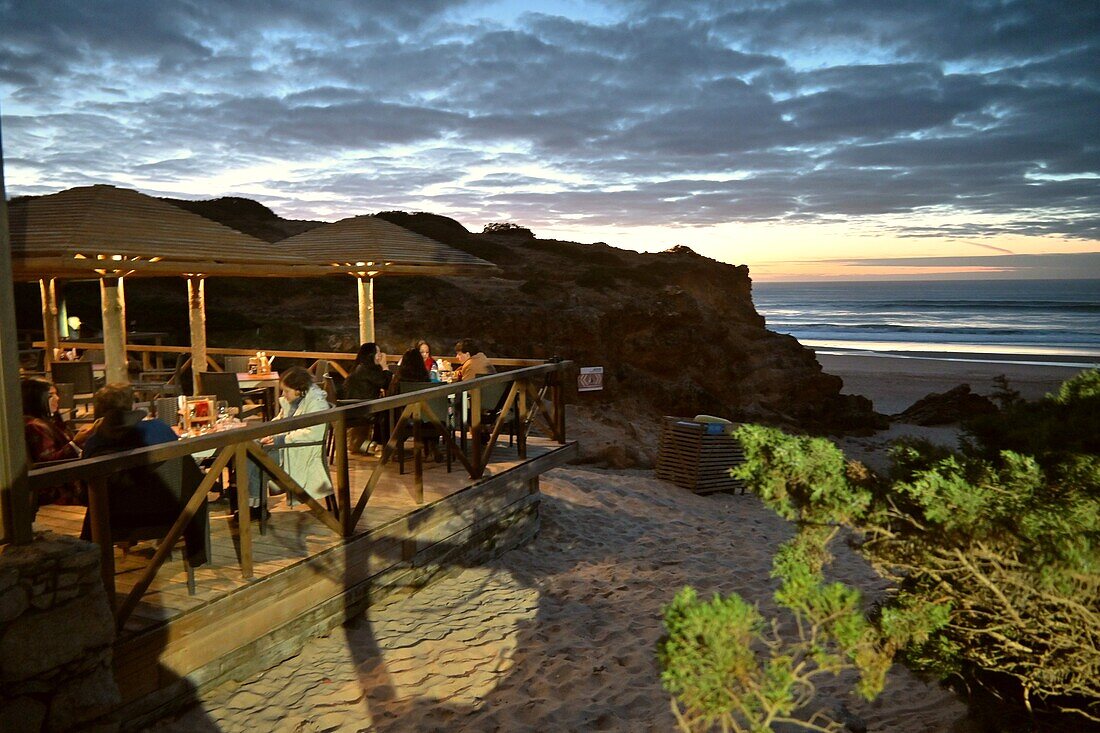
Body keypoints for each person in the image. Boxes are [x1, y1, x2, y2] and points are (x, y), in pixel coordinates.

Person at [79, 384, 207, 566]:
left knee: (96, 503)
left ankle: (91, 566)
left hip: (113, 519)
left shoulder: (96, 442)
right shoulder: (159, 429)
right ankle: (196, 553)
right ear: (132, 405)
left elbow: (87, 488)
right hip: (170, 513)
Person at [247, 366, 333, 518]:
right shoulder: (293, 402)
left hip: (301, 452)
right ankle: (251, 504)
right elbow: (280, 421)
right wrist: (267, 433)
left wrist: (280, 438)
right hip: (287, 446)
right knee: (249, 451)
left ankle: (254, 507)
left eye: (286, 391)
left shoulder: (316, 404)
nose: (283, 395)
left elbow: (313, 434)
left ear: (299, 390)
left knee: (255, 459)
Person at [20, 377, 89, 510]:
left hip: (70, 477)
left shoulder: (48, 421)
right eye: (51, 395)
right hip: (59, 487)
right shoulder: (35, 426)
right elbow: (49, 462)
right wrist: (76, 443)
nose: (57, 398)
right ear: (36, 398)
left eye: (56, 394)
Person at [341, 343, 392, 454]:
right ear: (370, 355)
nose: (380, 355)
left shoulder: (361, 367)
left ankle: (374, 443)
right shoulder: (366, 369)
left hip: (355, 407)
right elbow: (386, 383)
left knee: (386, 409)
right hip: (361, 409)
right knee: (390, 412)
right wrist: (385, 366)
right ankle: (383, 444)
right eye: (377, 353)